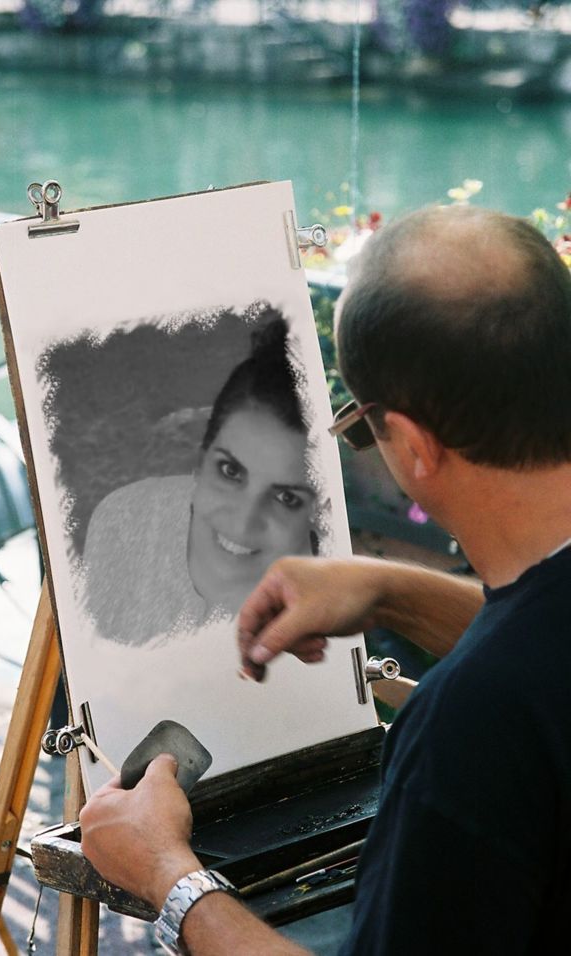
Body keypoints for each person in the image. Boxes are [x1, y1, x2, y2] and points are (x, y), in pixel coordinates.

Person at [79, 203, 571, 955]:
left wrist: (169, 877)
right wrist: (390, 590)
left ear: (411, 445)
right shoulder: (513, 684)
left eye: (360, 427)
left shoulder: (464, 732)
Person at [82, 314, 325, 646]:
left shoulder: (320, 609)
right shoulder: (123, 523)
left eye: (287, 498)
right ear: (200, 462)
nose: (242, 523)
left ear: (316, 514)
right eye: (230, 471)